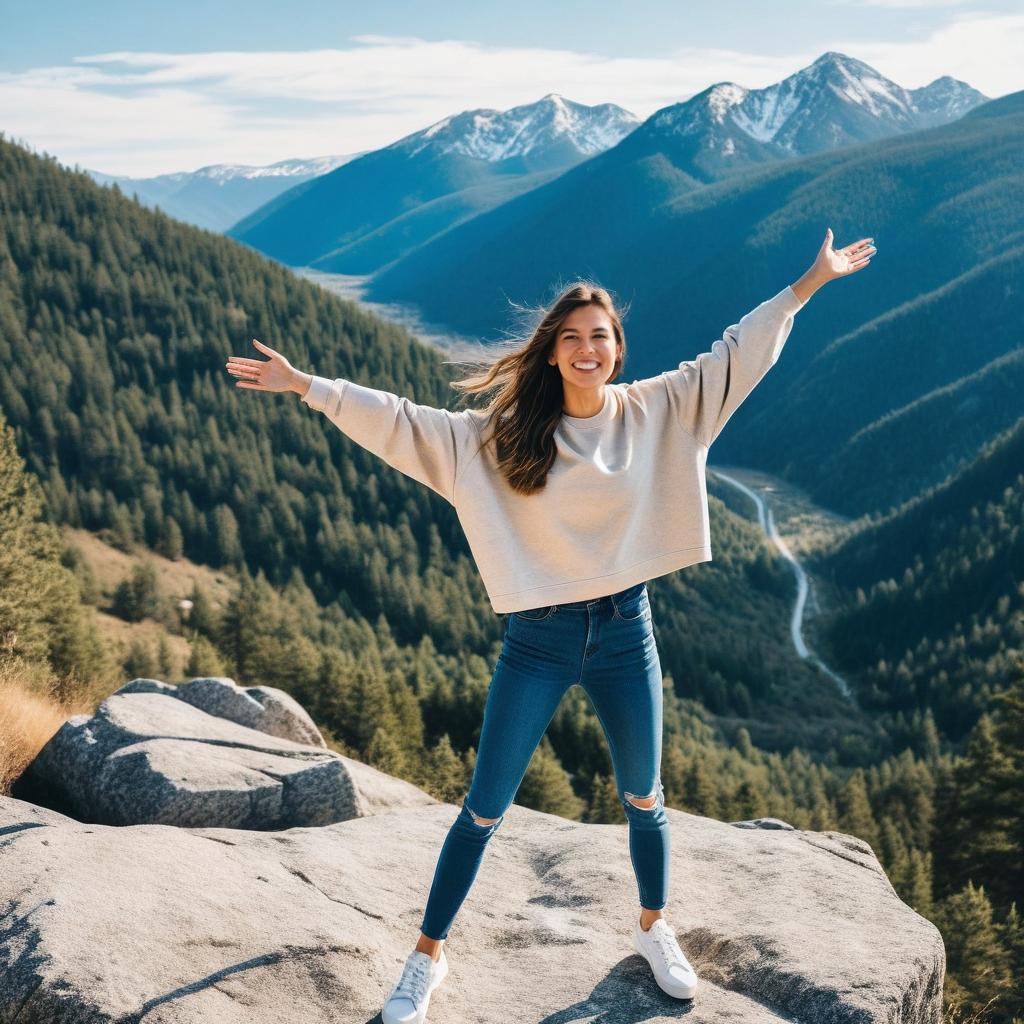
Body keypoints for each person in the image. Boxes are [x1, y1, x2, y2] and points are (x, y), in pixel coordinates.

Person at [226, 228, 875, 1022]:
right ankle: (423, 962)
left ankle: (651, 928)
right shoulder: (502, 438)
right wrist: (310, 387)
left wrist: (810, 281)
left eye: (599, 336)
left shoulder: (663, 410)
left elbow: (740, 349)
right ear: (553, 354)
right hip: (537, 642)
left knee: (645, 796)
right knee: (483, 809)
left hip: (625, 632)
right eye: (571, 339)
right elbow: (402, 421)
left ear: (617, 348)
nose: (586, 349)